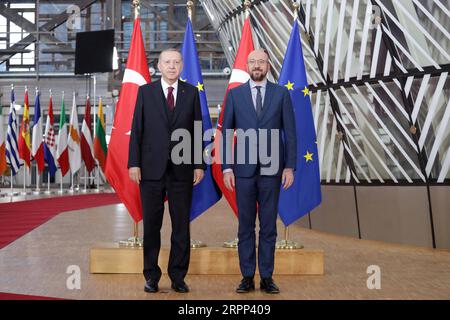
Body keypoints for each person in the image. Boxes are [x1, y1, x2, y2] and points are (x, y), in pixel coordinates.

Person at [128, 48, 205, 293]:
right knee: (152, 226)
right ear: (159, 66)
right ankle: (151, 276)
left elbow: (196, 130)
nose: (172, 66)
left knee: (181, 227)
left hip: (182, 171)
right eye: (167, 62)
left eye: (176, 62)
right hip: (150, 170)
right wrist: (134, 163)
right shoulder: (145, 92)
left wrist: (198, 164)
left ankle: (178, 276)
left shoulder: (191, 93)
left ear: (182, 66)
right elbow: (137, 130)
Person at [221, 49, 297, 294]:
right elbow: (225, 134)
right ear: (247, 65)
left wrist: (289, 166)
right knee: (245, 226)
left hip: (272, 170)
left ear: (268, 66)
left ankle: (266, 276)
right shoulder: (235, 95)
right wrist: (227, 167)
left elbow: (291, 133)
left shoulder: (281, 94)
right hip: (242, 171)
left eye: (261, 62)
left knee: (268, 227)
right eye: (252, 62)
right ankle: (246, 277)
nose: (257, 66)